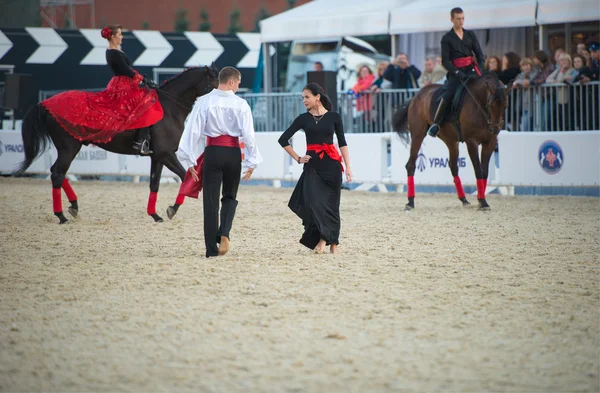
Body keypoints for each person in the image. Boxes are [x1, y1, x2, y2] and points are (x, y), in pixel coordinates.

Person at [176, 66, 262, 258]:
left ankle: (211, 250)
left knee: (210, 201)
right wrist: (251, 162)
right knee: (230, 196)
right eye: (238, 83)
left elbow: (193, 131)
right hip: (233, 153)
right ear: (231, 82)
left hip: (213, 153)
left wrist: (188, 159)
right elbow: (249, 136)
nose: (239, 87)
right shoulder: (241, 104)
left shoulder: (203, 102)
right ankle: (224, 233)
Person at [40, 24, 162, 152]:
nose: (122, 37)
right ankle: (140, 141)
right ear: (113, 37)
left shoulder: (116, 51)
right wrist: (143, 79)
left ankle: (142, 140)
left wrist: (142, 79)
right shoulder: (113, 53)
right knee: (145, 104)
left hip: (126, 84)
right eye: (120, 34)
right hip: (122, 87)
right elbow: (126, 71)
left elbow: (127, 70)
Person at [278, 83, 352, 254]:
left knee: (332, 205)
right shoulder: (303, 119)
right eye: (303, 97)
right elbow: (283, 139)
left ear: (317, 97)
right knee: (313, 203)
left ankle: (330, 242)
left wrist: (348, 167)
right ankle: (323, 239)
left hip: (332, 165)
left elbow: (342, 142)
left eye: (307, 97)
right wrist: (297, 158)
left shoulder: (334, 117)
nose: (304, 100)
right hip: (312, 166)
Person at [427, 7, 485, 138]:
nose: (461, 21)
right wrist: (457, 72)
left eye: (463, 18)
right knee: (448, 94)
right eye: (458, 19)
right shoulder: (447, 38)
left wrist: (480, 68)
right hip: (456, 73)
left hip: (472, 69)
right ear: (452, 19)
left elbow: (480, 55)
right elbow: (445, 61)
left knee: (486, 90)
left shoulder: (470, 34)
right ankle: (436, 123)